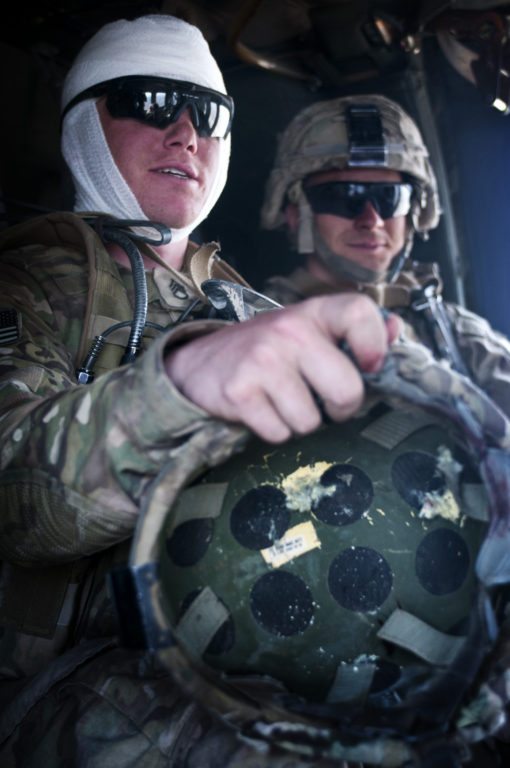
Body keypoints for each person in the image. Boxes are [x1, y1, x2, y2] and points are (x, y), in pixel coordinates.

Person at [0, 14, 399, 767]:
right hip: (80, 676)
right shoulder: (30, 283)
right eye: (150, 102)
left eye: (208, 114)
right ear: (84, 121)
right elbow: (15, 502)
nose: (186, 132)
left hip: (266, 633)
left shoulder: (257, 309)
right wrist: (182, 386)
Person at [260, 94, 510, 415]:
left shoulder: (452, 329)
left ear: (413, 214)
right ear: (297, 215)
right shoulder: (258, 327)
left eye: (390, 199)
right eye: (343, 197)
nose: (372, 220)